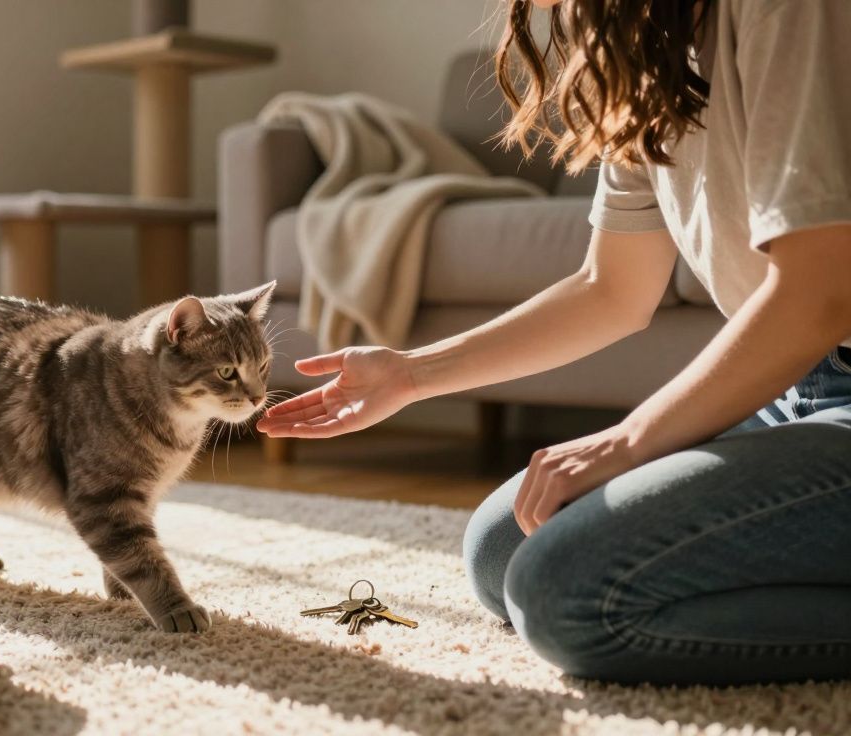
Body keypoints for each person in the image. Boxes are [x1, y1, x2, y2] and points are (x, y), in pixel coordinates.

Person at [257, 0, 851, 686]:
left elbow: (820, 291)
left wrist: (629, 441)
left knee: (566, 596)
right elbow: (611, 288)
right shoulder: (648, 51)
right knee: (502, 550)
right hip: (791, 391)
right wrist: (412, 373)